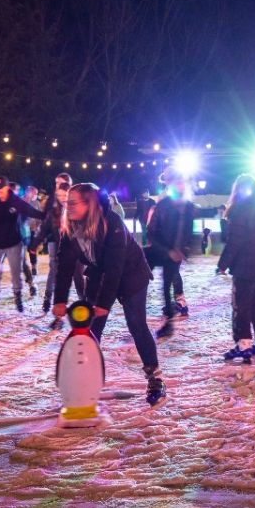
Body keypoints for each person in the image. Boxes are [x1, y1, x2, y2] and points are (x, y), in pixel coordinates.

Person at [51, 183, 166, 406]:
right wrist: (60, 299)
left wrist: (104, 303)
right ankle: (84, 382)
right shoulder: (70, 228)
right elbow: (64, 265)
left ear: (90, 203)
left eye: (74, 203)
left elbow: (115, 268)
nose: (69, 207)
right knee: (90, 328)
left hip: (131, 274)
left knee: (136, 324)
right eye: (68, 203)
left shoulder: (112, 224)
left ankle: (155, 378)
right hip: (98, 275)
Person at [217, 174, 255, 361]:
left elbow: (235, 240)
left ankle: (244, 343)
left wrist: (223, 264)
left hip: (246, 264)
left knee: (242, 304)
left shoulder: (239, 209)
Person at [0, 176, 45, 316]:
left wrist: (47, 216)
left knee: (16, 272)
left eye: (0, 189)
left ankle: (18, 295)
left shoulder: (15, 201)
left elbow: (31, 211)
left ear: (7, 187)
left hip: (14, 243)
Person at [146, 172, 195, 337]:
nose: (180, 185)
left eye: (182, 182)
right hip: (161, 249)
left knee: (167, 284)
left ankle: (169, 321)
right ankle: (133, 304)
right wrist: (168, 251)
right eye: (176, 182)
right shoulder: (163, 204)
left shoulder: (188, 206)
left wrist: (182, 251)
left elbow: (189, 232)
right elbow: (151, 232)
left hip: (176, 253)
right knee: (143, 274)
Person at [38, 176, 84, 320]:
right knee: (57, 272)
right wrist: (36, 242)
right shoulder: (53, 203)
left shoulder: (75, 203)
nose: (57, 186)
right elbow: (46, 221)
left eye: (60, 183)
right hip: (56, 241)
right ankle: (49, 300)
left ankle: (85, 300)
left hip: (74, 247)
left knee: (77, 275)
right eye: (56, 183)